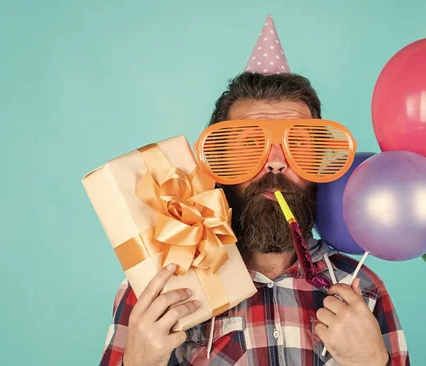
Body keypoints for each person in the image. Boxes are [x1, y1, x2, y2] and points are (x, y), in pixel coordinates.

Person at [99, 16, 409, 366]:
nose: (276, 163)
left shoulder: (362, 288)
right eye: (249, 146)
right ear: (218, 166)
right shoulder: (157, 290)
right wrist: (139, 360)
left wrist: (370, 361)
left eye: (298, 146)